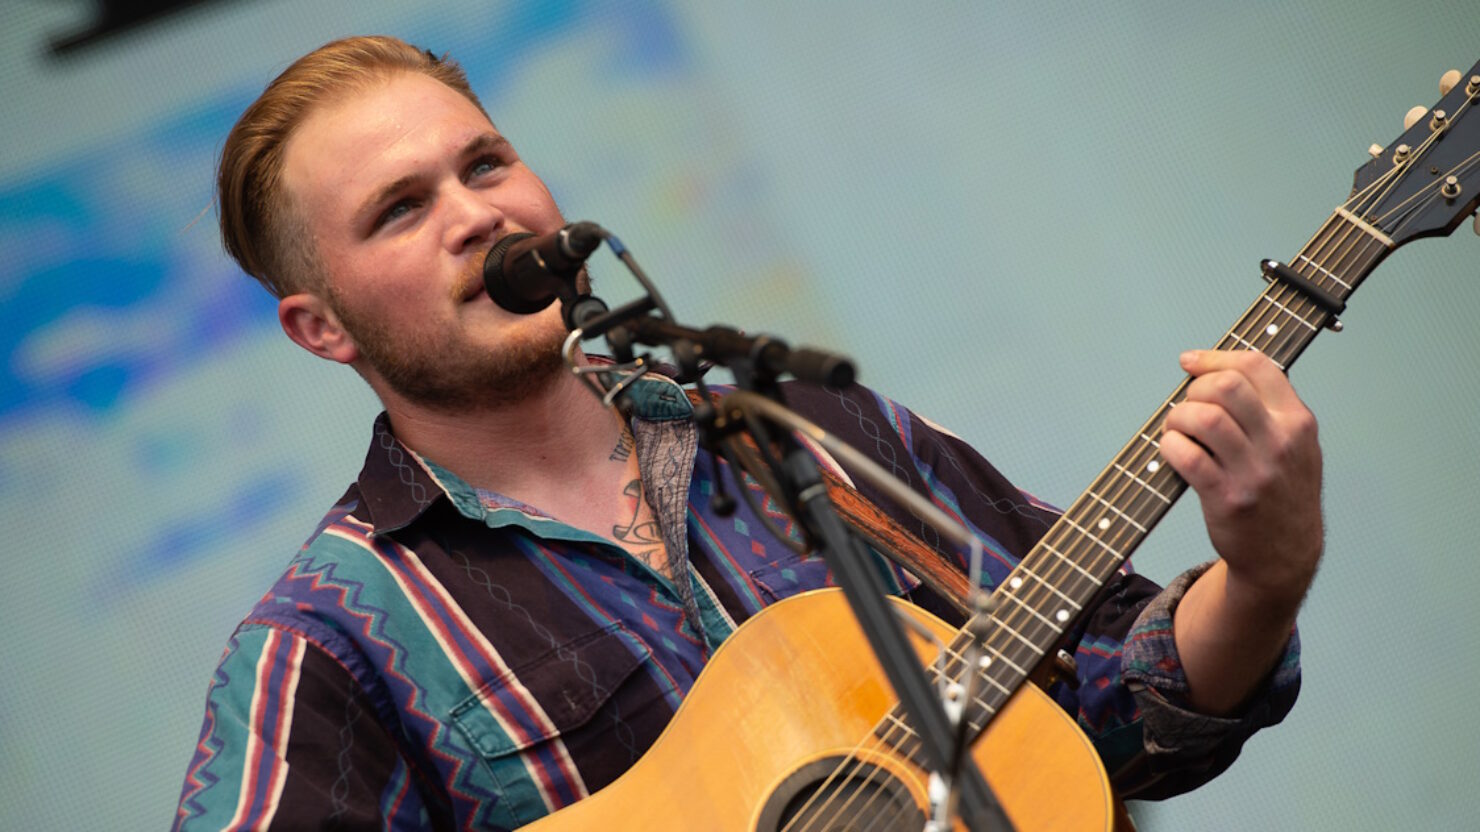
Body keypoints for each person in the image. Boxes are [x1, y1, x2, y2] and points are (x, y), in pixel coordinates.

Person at [172, 35, 1322, 830]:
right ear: (320, 327)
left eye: (485, 163)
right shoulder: (328, 643)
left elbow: (1104, 703)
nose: (477, 213)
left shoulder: (805, 433)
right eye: (401, 208)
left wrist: (1265, 575)